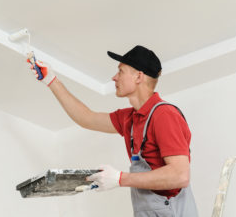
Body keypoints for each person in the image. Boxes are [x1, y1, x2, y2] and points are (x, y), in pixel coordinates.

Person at [26, 45, 198, 217]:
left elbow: (180, 175)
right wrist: (51, 80)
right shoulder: (130, 119)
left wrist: (119, 179)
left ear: (138, 76)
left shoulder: (164, 115)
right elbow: (86, 118)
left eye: (121, 71)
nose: (114, 78)